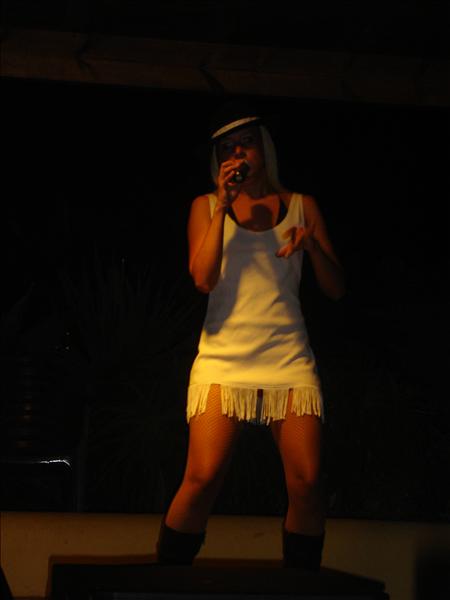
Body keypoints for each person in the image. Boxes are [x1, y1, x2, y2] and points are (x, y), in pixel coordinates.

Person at [156, 101, 345, 568]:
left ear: (265, 149)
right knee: (202, 477)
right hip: (225, 358)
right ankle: (166, 577)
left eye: (246, 143)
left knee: (307, 482)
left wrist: (312, 247)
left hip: (288, 358)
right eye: (227, 148)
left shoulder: (301, 206)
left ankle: (302, 585)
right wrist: (223, 204)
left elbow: (336, 288)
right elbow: (203, 279)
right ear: (217, 160)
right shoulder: (205, 206)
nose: (237, 153)